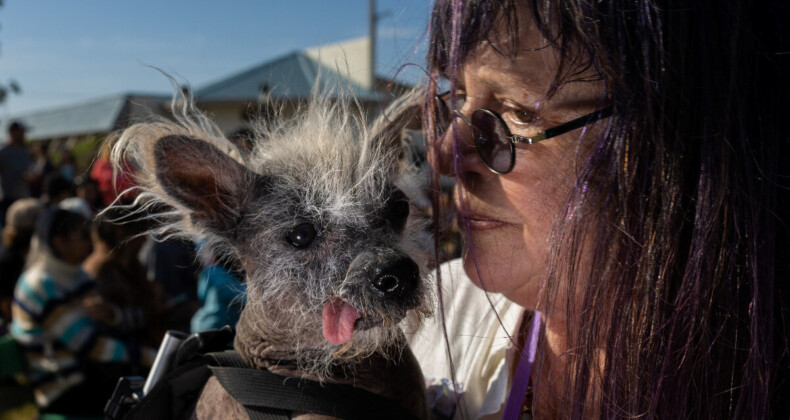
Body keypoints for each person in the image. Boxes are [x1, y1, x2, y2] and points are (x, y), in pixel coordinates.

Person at [409, 0, 790, 418]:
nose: (445, 154)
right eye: (458, 95)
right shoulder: (429, 314)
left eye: (519, 113)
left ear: (685, 147)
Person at [10, 203, 155, 416]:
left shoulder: (76, 275)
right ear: (59, 242)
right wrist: (149, 357)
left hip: (92, 376)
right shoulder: (40, 284)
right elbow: (90, 345)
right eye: (81, 234)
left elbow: (110, 322)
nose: (89, 239)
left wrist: (111, 314)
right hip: (64, 389)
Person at [0, 122, 32, 227]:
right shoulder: (3, 152)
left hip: (25, 199)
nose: (24, 134)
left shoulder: (24, 151)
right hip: (9, 200)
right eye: (21, 132)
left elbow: (28, 170)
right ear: (13, 133)